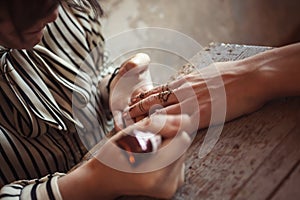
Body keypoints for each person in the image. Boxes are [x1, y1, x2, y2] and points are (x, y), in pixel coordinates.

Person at [0, 0, 191, 199]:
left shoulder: (69, 9)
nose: (53, 16)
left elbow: (96, 69)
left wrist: (114, 85)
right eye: (29, 10)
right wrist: (90, 181)